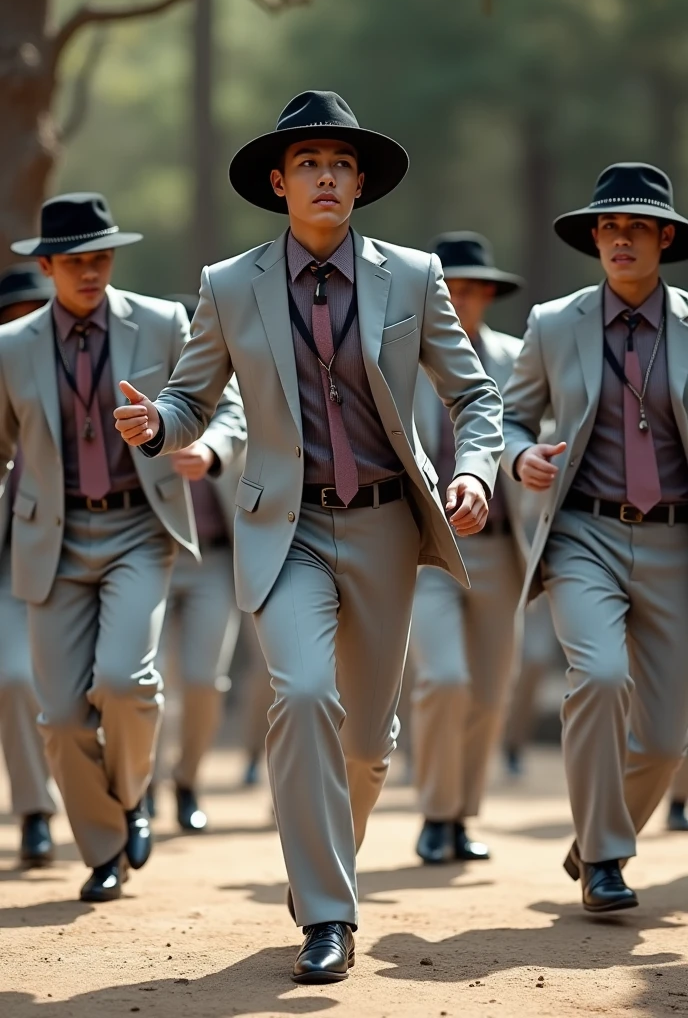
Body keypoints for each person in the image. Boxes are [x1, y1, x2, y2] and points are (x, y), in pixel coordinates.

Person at [115, 90, 503, 982]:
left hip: (384, 527)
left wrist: (474, 470)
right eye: (308, 165)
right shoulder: (228, 284)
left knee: (368, 746)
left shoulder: (413, 276)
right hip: (280, 530)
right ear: (278, 183)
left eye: (340, 165)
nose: (325, 178)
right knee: (299, 695)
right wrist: (159, 429)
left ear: (359, 184)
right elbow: (191, 397)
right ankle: (327, 912)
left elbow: (475, 398)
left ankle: (323, 863)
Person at [1, 192, 244, 902]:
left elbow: (223, 403)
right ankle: (105, 846)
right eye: (76, 261)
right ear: (47, 265)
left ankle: (133, 794)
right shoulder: (11, 349)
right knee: (61, 715)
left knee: (126, 682)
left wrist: (210, 448)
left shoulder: (166, 322)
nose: (91, 271)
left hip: (141, 528)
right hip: (52, 539)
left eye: (102, 257)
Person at [501, 162, 688, 913]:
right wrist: (520, 456)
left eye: (636, 227)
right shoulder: (554, 323)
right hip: (585, 536)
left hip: (676, 544)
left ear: (665, 238)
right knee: (601, 677)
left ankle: (593, 835)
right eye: (608, 227)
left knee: (669, 739)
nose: (619, 240)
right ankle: (608, 858)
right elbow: (510, 415)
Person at [410, 232, 526, 864]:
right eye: (450, 286)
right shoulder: (402, 364)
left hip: (502, 549)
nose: (461, 297)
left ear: (488, 294)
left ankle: (461, 816)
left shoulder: (517, 360)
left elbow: (539, 430)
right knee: (444, 678)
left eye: (473, 288)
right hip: (430, 548)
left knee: (487, 689)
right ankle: (433, 810)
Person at [149, 294, 242, 832]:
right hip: (152, 553)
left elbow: (243, 431)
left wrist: (210, 449)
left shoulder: (226, 396)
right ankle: (140, 788)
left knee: (207, 681)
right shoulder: (136, 397)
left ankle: (187, 779)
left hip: (215, 561)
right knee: (149, 679)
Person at [0, 265, 57, 867]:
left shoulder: (90, 371)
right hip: (11, 563)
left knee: (110, 686)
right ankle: (35, 810)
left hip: (82, 553)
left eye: (30, 316)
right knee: (15, 679)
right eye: (8, 319)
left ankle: (123, 801)